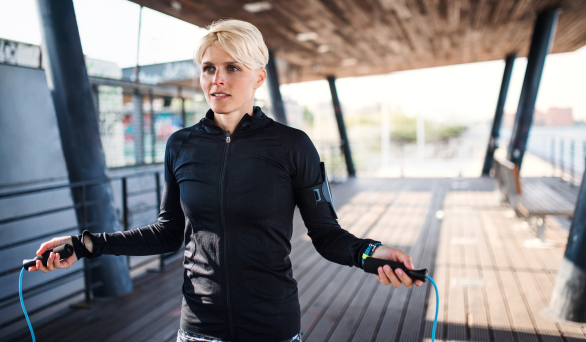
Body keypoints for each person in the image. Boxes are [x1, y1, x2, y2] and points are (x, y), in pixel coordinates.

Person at [30, 19, 423, 342]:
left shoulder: (292, 145)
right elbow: (169, 232)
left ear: (258, 77)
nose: (217, 79)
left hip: (273, 328)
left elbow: (326, 234)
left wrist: (369, 253)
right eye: (208, 68)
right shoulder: (181, 145)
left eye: (232, 67)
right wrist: (86, 244)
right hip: (200, 330)